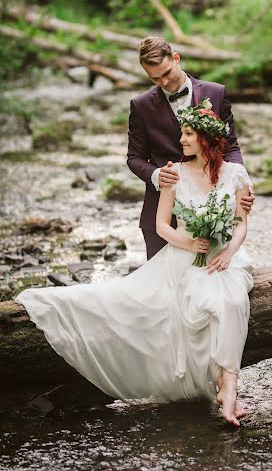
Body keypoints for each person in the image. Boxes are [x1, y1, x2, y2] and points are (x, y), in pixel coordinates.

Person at [15, 102, 254, 427]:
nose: (181, 140)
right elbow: (162, 226)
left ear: (206, 139)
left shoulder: (236, 174)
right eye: (181, 133)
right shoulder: (174, 174)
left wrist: (228, 252)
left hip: (226, 257)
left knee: (233, 300)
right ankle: (226, 392)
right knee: (202, 303)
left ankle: (229, 391)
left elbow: (240, 222)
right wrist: (189, 243)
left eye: (187, 134)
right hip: (185, 257)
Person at [127, 36, 255, 260]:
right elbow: (135, 158)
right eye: (155, 78)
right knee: (161, 288)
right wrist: (157, 175)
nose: (164, 82)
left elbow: (230, 144)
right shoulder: (141, 105)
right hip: (162, 213)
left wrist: (237, 182)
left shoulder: (216, 93)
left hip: (213, 206)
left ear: (176, 58)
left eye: (167, 73)